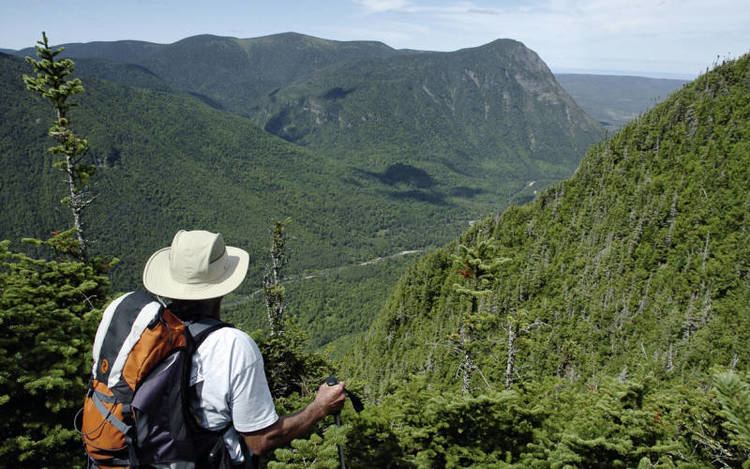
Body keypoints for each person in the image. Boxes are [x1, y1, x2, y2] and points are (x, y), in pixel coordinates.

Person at [141, 229, 346, 467]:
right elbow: (260, 440)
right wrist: (320, 408)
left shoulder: (144, 327)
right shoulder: (233, 346)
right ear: (224, 285)